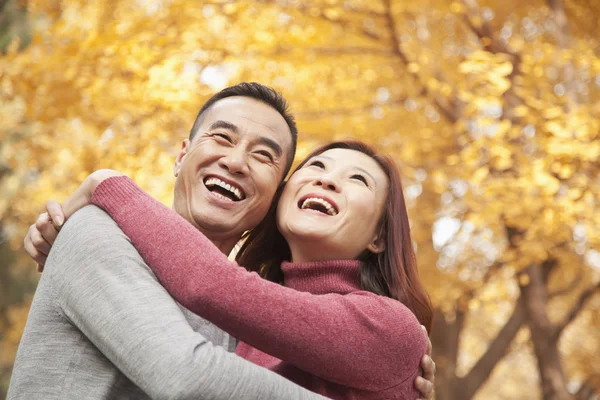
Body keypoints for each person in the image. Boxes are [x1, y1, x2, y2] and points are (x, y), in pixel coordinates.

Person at [14, 83, 435, 399]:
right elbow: (185, 373)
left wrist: (106, 183)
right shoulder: (97, 231)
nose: (235, 162)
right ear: (181, 156)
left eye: (264, 156)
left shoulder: (239, 324)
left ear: (274, 194)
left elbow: (213, 290)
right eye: (221, 137)